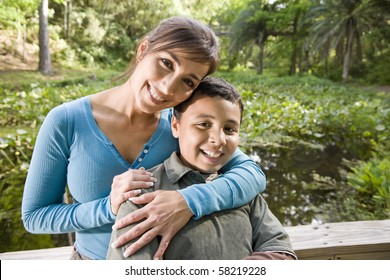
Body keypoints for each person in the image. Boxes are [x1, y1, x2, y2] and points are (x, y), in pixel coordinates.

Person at [21, 16, 266, 260]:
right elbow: (35, 217)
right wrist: (107, 208)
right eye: (167, 63)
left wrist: (188, 201)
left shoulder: (182, 125)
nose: (169, 88)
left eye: (188, 81)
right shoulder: (66, 120)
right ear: (143, 49)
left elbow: (252, 175)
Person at [107, 77, 296, 260]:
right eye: (204, 124)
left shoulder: (242, 189)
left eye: (229, 129)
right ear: (175, 125)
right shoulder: (142, 195)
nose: (218, 139)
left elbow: (280, 249)